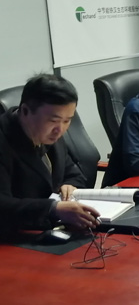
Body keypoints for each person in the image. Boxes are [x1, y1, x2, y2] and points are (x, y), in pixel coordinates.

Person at [0, 74, 100, 236]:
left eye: (67, 120)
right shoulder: (4, 140)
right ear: (25, 111)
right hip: (14, 237)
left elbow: (73, 173)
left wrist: (70, 185)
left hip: (51, 230)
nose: (60, 129)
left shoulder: (48, 134)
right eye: (53, 120)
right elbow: (3, 206)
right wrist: (53, 209)